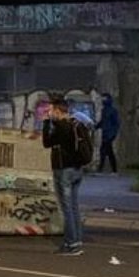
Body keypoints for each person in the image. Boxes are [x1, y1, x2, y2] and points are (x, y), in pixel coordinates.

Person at [42, 98, 91, 256]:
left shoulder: (61, 126)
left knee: (67, 209)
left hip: (64, 171)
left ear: (57, 111)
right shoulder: (76, 123)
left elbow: (47, 142)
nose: (50, 113)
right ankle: (77, 239)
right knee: (75, 207)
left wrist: (46, 123)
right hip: (77, 170)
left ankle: (71, 244)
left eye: (51, 110)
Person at [96, 93, 120, 174]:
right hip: (105, 134)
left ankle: (102, 169)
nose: (103, 100)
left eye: (104, 98)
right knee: (108, 152)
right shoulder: (104, 110)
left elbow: (116, 123)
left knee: (105, 151)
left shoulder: (112, 111)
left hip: (109, 134)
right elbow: (103, 122)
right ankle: (112, 170)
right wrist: (96, 126)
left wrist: (113, 134)